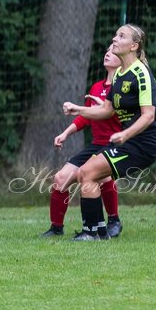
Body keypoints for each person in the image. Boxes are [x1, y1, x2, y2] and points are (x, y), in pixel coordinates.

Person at [63, 23, 156, 241]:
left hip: (142, 143)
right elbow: (107, 110)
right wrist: (78, 109)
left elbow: (148, 116)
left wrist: (125, 135)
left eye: (121, 36)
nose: (115, 39)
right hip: (127, 141)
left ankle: (92, 233)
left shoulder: (141, 73)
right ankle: (98, 231)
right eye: (115, 35)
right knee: (84, 174)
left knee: (87, 173)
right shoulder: (119, 75)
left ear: (134, 46)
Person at [42, 48, 124, 238]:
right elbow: (85, 118)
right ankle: (56, 228)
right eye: (106, 50)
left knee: (98, 175)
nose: (107, 53)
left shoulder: (123, 87)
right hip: (96, 145)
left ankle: (113, 221)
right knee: (60, 179)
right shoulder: (96, 87)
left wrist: (106, 108)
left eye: (113, 51)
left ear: (123, 60)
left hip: (115, 145)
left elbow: (129, 118)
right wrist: (65, 133)